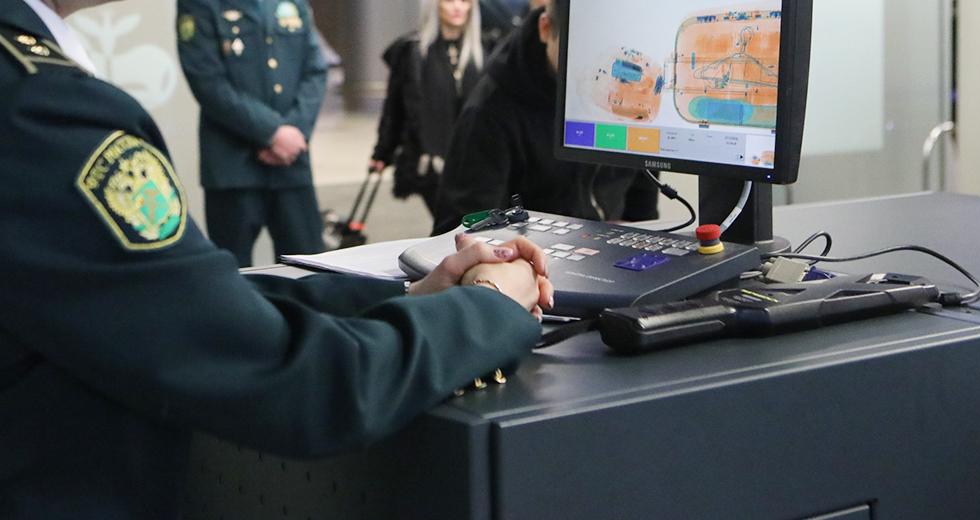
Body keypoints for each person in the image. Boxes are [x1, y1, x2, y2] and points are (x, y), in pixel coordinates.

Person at [0, 0, 554, 517]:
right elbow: (300, 385)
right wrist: (490, 306)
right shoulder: (38, 104)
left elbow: (179, 306)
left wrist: (409, 294)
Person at [431, 0, 660, 236]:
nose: (601, 69)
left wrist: (644, 238)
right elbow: (460, 232)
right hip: (532, 252)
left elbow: (643, 196)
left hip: (610, 247)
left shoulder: (625, 90)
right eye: (584, 48)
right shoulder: (490, 110)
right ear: (545, 28)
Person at [176, 0, 327, 267]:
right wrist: (272, 132)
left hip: (292, 164)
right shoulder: (200, 3)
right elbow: (206, 79)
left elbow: (315, 69)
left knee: (309, 269)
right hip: (233, 166)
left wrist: (294, 133)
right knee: (232, 274)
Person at [370, 0, 492, 219]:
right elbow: (395, 106)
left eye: (464, 1)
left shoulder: (486, 48)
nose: (458, 7)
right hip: (431, 160)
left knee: (472, 225)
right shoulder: (413, 51)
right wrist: (382, 152)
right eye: (449, 0)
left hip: (476, 160)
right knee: (450, 222)